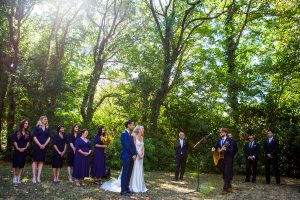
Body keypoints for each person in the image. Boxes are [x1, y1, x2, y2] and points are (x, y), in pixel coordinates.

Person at [100, 125, 147, 193]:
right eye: (142, 128)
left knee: (137, 170)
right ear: (139, 130)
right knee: (131, 171)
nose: (143, 130)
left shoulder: (141, 137)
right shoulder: (131, 135)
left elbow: (143, 146)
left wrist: (143, 154)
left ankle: (137, 185)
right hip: (135, 155)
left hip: (140, 157)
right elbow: (133, 146)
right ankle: (130, 186)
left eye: (143, 129)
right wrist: (137, 154)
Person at [212, 128, 234, 194]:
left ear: (225, 133)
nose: (220, 133)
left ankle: (225, 189)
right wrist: (213, 148)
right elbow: (216, 146)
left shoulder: (230, 140)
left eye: (221, 132)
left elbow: (232, 150)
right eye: (219, 132)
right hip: (221, 159)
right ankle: (229, 186)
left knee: (227, 173)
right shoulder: (219, 140)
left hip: (228, 159)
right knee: (224, 174)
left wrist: (226, 149)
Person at [32, 116, 51, 183]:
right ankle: (34, 177)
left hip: (44, 147)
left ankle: (38, 177)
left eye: (46, 119)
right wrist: (40, 145)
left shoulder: (47, 128)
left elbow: (49, 137)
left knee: (41, 161)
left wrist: (44, 145)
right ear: (41, 120)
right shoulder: (37, 127)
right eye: (45, 119)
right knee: (35, 161)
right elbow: (34, 137)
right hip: (37, 146)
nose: (46, 120)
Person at [11, 120, 31, 184]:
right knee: (15, 164)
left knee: (21, 164)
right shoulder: (17, 131)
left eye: (27, 123)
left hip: (24, 151)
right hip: (16, 150)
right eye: (25, 123)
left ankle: (19, 177)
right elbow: (14, 141)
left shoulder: (28, 132)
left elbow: (28, 142)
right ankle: (14, 177)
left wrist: (25, 148)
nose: (26, 124)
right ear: (22, 124)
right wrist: (17, 148)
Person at [120, 120, 136, 196]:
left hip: (132, 156)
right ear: (129, 125)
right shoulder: (124, 134)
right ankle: (123, 190)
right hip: (126, 156)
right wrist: (132, 154)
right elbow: (127, 146)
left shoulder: (130, 135)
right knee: (125, 173)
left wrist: (135, 154)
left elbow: (133, 146)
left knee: (129, 173)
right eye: (132, 125)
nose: (133, 126)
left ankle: (127, 188)